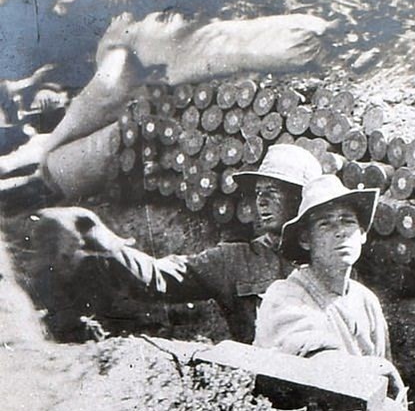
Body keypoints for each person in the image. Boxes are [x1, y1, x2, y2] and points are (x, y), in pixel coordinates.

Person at [0, 10, 341, 197]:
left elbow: (100, 96)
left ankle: (28, 182)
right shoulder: (148, 40)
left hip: (141, 114)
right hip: (147, 105)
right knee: (64, 154)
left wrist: (53, 145)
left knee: (69, 160)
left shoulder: (135, 37)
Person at [37, 143, 323, 342]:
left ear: (302, 199)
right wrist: (105, 240)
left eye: (273, 191)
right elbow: (159, 278)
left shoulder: (333, 257)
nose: (261, 200)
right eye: (258, 191)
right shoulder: (235, 260)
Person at [254, 174, 391, 360]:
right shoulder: (284, 295)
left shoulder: (366, 301)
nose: (340, 232)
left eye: (348, 221)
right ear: (305, 240)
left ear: (362, 233)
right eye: (325, 224)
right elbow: (316, 358)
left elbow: (383, 370)